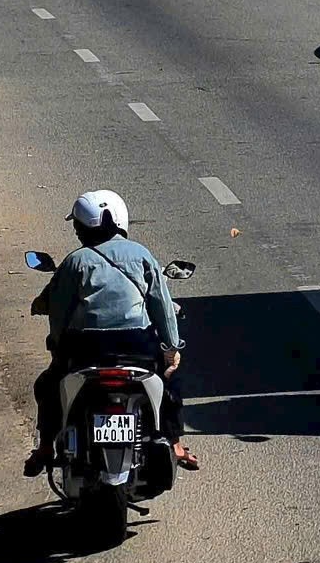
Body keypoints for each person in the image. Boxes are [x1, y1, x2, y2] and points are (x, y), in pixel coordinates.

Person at [24, 189, 199, 477]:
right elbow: (163, 309)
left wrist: (56, 347)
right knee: (169, 380)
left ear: (80, 228)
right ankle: (177, 444)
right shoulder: (142, 255)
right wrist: (171, 348)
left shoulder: (75, 262)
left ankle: (45, 448)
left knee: (48, 385)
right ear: (120, 220)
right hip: (138, 347)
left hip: (85, 349)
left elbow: (58, 315)